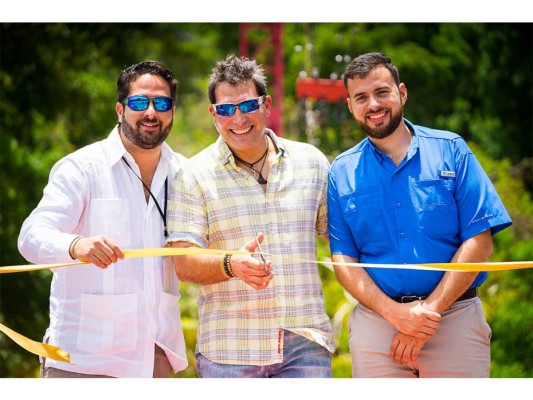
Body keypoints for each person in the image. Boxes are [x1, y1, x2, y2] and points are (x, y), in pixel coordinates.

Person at [328, 52, 512, 378]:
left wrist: (427, 314)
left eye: (381, 92)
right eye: (361, 97)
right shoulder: (340, 172)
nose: (373, 104)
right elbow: (343, 258)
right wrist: (396, 314)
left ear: (402, 92)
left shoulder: (452, 150)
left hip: (453, 318)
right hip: (377, 327)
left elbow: (480, 241)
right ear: (350, 106)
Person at [167, 55, 335, 378]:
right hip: (230, 352)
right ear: (214, 115)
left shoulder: (312, 163)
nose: (238, 118)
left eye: (247, 105)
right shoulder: (193, 175)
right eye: (227, 110)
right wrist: (232, 263)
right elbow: (183, 262)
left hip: (306, 345)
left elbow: (342, 242)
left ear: (267, 104)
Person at [17, 60, 188, 378]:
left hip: (156, 359)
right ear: (120, 110)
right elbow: (31, 235)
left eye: (161, 103)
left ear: (172, 111)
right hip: (84, 360)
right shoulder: (82, 167)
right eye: (140, 102)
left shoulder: (185, 173)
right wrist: (75, 245)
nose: (151, 112)